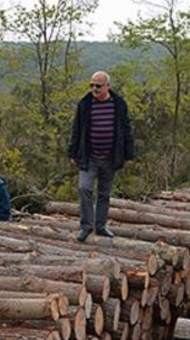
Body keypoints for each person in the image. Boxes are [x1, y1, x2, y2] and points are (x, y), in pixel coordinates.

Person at [68, 71, 135, 242]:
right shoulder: (84, 104)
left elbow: (127, 129)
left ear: (107, 86)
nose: (94, 89)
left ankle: (101, 226)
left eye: (98, 85)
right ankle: (86, 226)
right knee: (84, 188)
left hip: (110, 157)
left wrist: (129, 154)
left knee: (104, 193)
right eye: (91, 85)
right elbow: (76, 130)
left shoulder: (119, 104)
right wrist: (72, 152)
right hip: (89, 156)